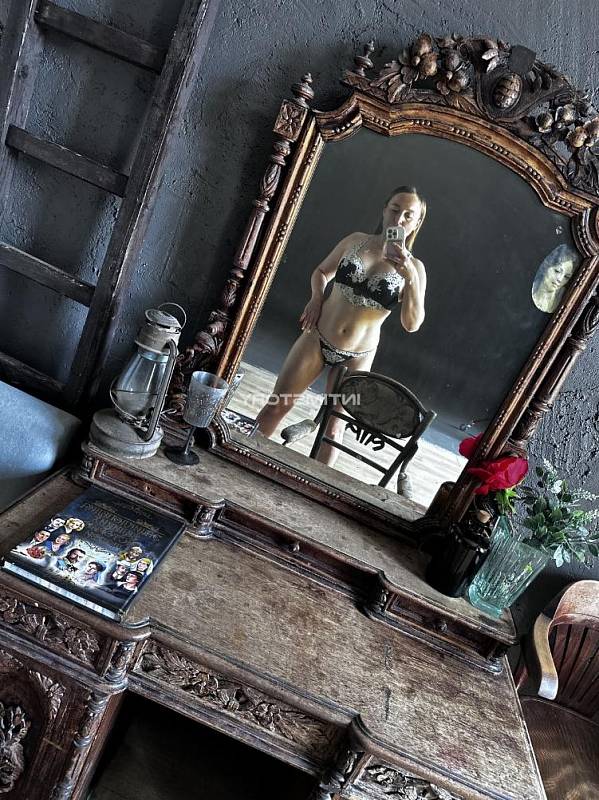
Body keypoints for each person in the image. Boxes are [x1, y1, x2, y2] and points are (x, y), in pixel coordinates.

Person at [254, 185, 427, 465]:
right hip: (317, 336)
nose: (399, 219)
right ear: (384, 210)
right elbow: (322, 271)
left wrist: (410, 277)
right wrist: (316, 298)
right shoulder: (355, 240)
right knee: (277, 405)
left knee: (334, 429)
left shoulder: (416, 269)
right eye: (395, 209)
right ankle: (242, 457)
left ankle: (315, 488)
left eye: (409, 215)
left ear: (417, 222)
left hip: (358, 356)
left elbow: (412, 324)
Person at [532, 244, 577, 313]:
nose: (560, 279)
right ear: (546, 266)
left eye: (566, 277)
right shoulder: (531, 289)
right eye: (557, 271)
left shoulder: (564, 301)